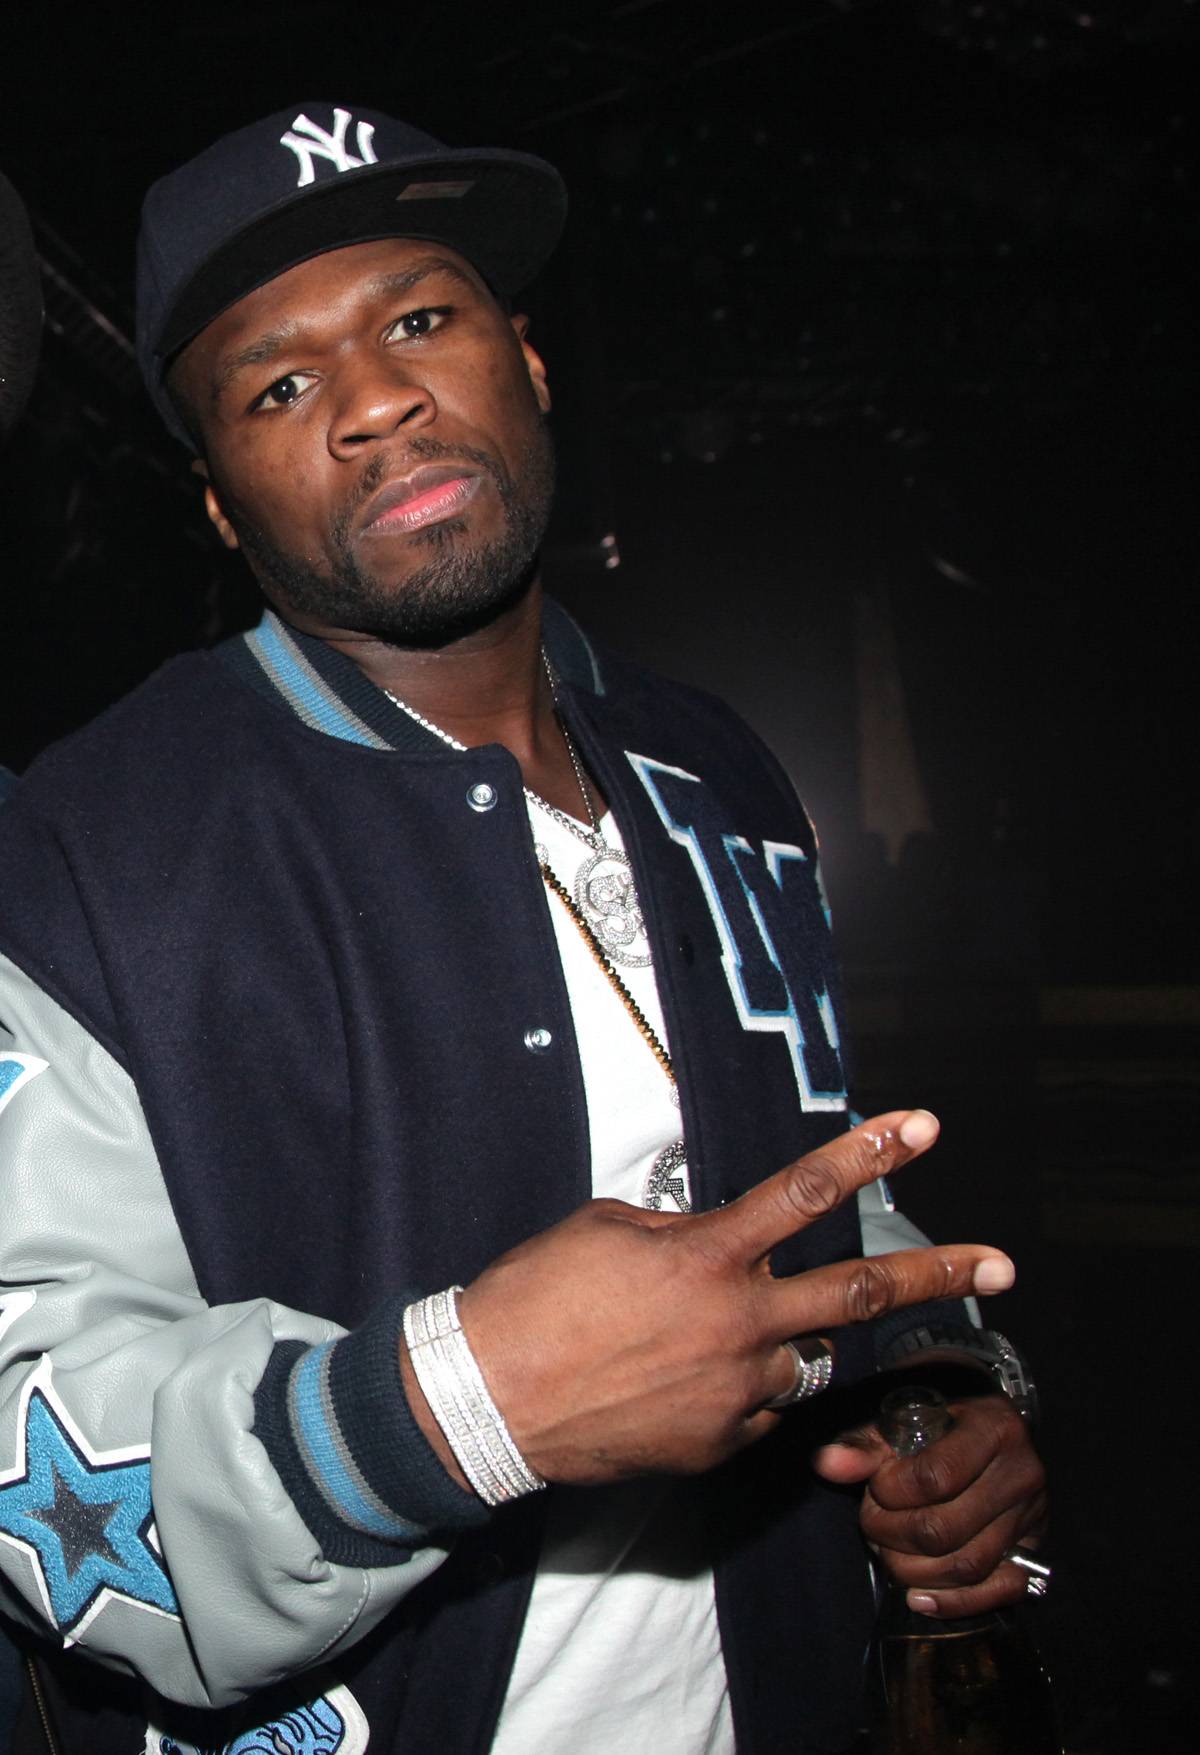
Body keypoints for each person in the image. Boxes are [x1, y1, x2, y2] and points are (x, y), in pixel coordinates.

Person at [0, 105, 1046, 1753]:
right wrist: (459, 1408)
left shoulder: (717, 766)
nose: (376, 401)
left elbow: (796, 1161)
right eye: (280, 387)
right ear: (218, 507)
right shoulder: (82, 846)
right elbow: (29, 1417)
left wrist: (935, 1383)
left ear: (531, 362)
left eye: (420, 319)